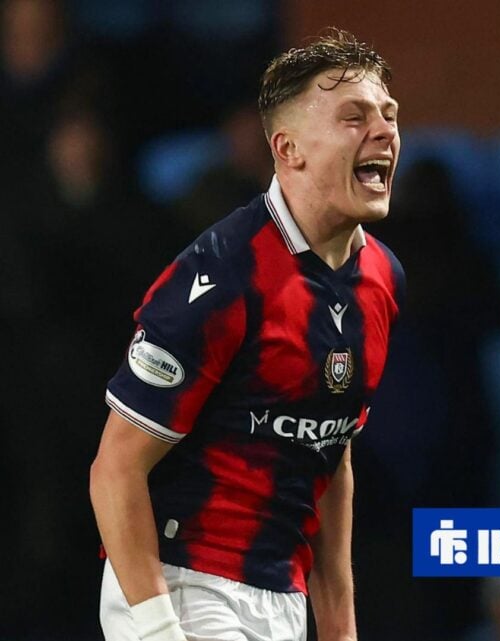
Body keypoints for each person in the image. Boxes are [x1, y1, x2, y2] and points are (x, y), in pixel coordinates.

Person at [89, 29, 404, 641]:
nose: (385, 131)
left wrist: (339, 631)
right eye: (354, 117)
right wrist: (157, 631)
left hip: (280, 596)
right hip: (180, 584)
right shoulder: (221, 275)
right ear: (289, 149)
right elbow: (114, 469)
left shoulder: (382, 279)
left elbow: (330, 455)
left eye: (390, 115)